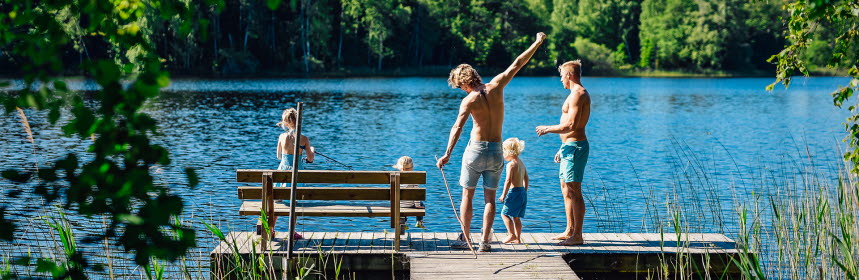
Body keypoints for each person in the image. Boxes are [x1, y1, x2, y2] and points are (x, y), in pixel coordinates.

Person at [437, 32, 546, 252]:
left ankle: (465, 238)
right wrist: (537, 42)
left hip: (475, 151)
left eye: (460, 86)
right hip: (497, 150)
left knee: (467, 195)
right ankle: (485, 242)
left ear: (464, 82)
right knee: (490, 199)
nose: (462, 90)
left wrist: (447, 154)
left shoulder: (469, 100)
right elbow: (517, 64)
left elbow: (457, 127)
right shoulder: (497, 85)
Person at [535, 60, 591, 246]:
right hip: (568, 147)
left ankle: (578, 236)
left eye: (561, 76)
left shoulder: (578, 94)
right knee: (566, 189)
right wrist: (562, 147)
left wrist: (548, 128)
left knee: (575, 191)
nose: (560, 80)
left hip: (575, 147)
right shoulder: (573, 94)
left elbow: (572, 125)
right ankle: (569, 230)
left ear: (569, 75)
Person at [269, 107, 316, 240]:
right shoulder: (304, 139)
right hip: (297, 173)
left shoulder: (282, 136)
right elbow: (310, 158)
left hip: (282, 172)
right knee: (293, 202)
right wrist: (312, 149)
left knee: (277, 201)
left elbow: (278, 156)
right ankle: (292, 232)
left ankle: (271, 229)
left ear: (286, 122)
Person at [498, 138, 529, 244]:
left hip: (514, 192)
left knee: (504, 214)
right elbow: (526, 178)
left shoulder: (511, 165)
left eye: (503, 151)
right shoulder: (521, 163)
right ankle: (518, 238)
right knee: (516, 217)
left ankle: (511, 234)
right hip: (522, 192)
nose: (502, 154)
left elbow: (508, 181)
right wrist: (525, 190)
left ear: (508, 152)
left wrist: (503, 195)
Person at [393, 156, 426, 229]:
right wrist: (417, 205)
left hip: (398, 204)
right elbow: (416, 195)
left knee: (402, 203)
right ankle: (419, 222)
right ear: (412, 167)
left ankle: (403, 223)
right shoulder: (414, 178)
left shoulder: (394, 176)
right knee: (421, 204)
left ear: (399, 166)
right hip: (410, 204)